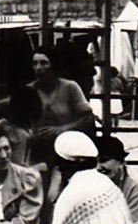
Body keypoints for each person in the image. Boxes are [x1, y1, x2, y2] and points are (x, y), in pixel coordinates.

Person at [26, 47, 95, 183]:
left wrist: (61, 129)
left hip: (66, 154)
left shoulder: (70, 88)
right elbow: (14, 113)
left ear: (53, 65)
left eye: (44, 63)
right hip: (39, 153)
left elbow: (87, 119)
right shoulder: (29, 90)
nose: (38, 68)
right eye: (35, 63)